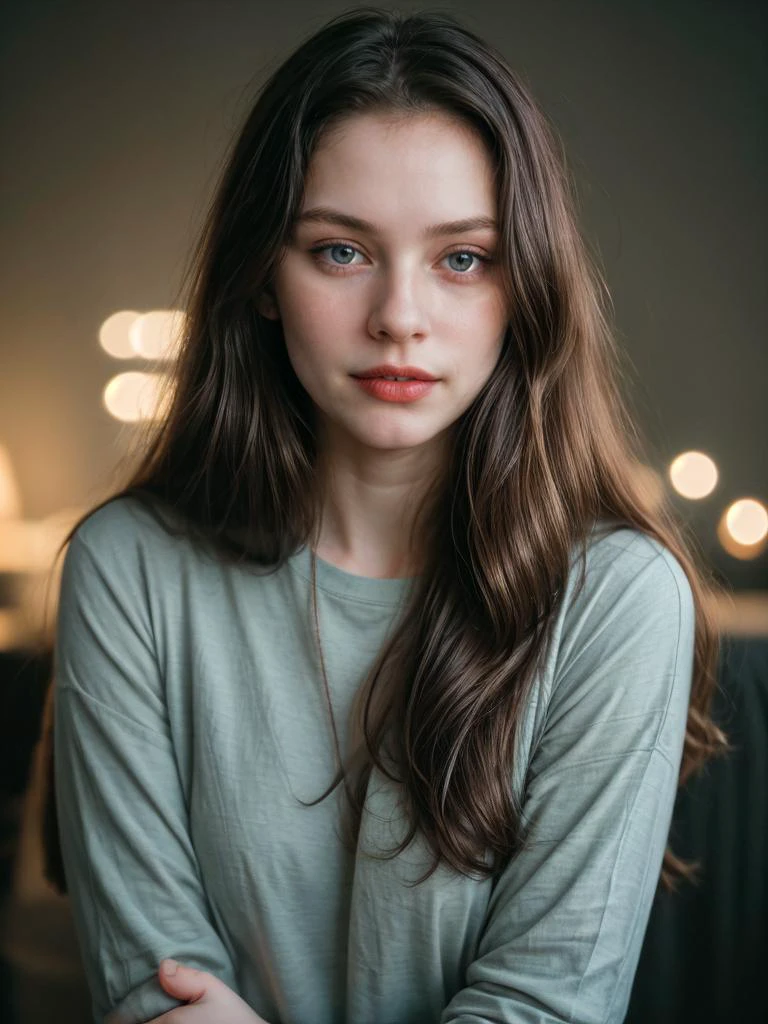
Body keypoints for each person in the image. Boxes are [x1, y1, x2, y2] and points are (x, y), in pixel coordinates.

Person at [49, 7, 726, 1023]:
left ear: (524, 286)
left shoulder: (621, 599)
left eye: (463, 259)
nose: (399, 315)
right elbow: (154, 992)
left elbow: (541, 1007)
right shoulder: (127, 568)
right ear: (263, 277)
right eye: (339, 251)